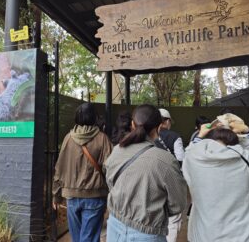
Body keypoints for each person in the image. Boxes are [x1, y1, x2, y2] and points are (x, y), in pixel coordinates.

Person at [104, 104, 187, 241]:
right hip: (147, 233)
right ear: (159, 127)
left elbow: (110, 182)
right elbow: (178, 203)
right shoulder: (165, 159)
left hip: (114, 225)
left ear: (132, 124)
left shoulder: (117, 149)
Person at [182, 113, 249, 242]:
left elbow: (189, 151)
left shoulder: (193, 160)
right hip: (245, 234)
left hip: (206, 234)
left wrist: (200, 135)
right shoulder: (248, 160)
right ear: (236, 138)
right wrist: (247, 131)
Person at [52, 103, 113, 242]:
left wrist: (56, 195)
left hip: (72, 197)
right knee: (89, 238)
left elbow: (59, 169)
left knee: (78, 238)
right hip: (95, 196)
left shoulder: (68, 138)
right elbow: (111, 168)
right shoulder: (102, 139)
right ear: (94, 118)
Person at [155, 108, 185, 242]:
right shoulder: (175, 136)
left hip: (153, 178)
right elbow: (180, 160)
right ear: (166, 121)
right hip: (171, 180)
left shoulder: (148, 135)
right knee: (173, 217)